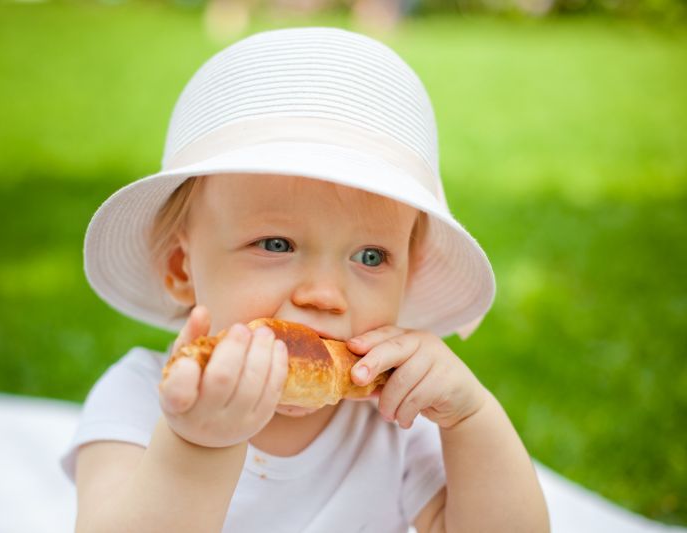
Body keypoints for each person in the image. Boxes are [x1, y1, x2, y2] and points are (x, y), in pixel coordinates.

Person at [61, 27, 549, 533]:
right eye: (276, 245)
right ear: (181, 269)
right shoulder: (139, 400)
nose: (324, 296)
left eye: (370, 255)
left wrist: (470, 420)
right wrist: (198, 444)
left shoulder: (398, 420)